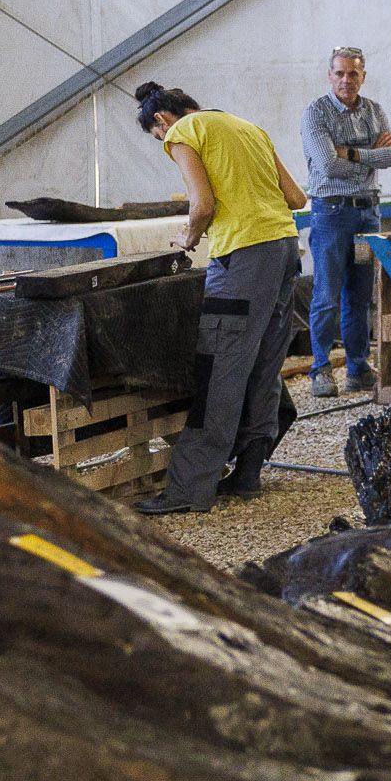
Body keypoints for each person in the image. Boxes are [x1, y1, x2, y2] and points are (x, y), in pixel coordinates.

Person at [130, 83, 307, 515]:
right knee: (264, 366)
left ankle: (189, 490)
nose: (164, 146)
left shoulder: (183, 132)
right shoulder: (248, 127)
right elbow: (296, 198)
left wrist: (187, 237)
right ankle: (248, 474)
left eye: (158, 140)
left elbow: (202, 204)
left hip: (244, 256)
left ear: (161, 120)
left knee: (220, 371)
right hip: (284, 249)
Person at [298, 45, 391, 396]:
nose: (346, 80)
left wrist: (352, 152)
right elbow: (328, 165)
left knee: (361, 296)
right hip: (331, 212)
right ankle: (320, 370)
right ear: (330, 75)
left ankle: (358, 368)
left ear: (363, 76)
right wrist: (374, 154)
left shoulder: (374, 110)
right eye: (339, 73)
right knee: (326, 295)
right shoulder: (316, 113)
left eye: (353, 73)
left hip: (368, 212)